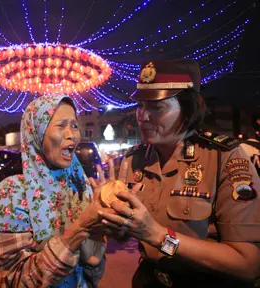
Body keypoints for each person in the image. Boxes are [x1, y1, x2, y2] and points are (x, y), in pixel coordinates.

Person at [98, 59, 260, 287]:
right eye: (141, 105)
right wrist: (113, 222)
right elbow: (126, 233)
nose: (142, 117)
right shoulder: (134, 160)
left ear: (188, 110)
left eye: (156, 107)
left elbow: (248, 264)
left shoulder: (224, 158)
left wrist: (158, 236)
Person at [0, 94, 115, 287]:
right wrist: (79, 230)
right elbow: (15, 280)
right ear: (37, 132)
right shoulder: (13, 192)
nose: (72, 134)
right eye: (61, 125)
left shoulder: (80, 187)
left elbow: (90, 272)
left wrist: (97, 242)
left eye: (74, 125)